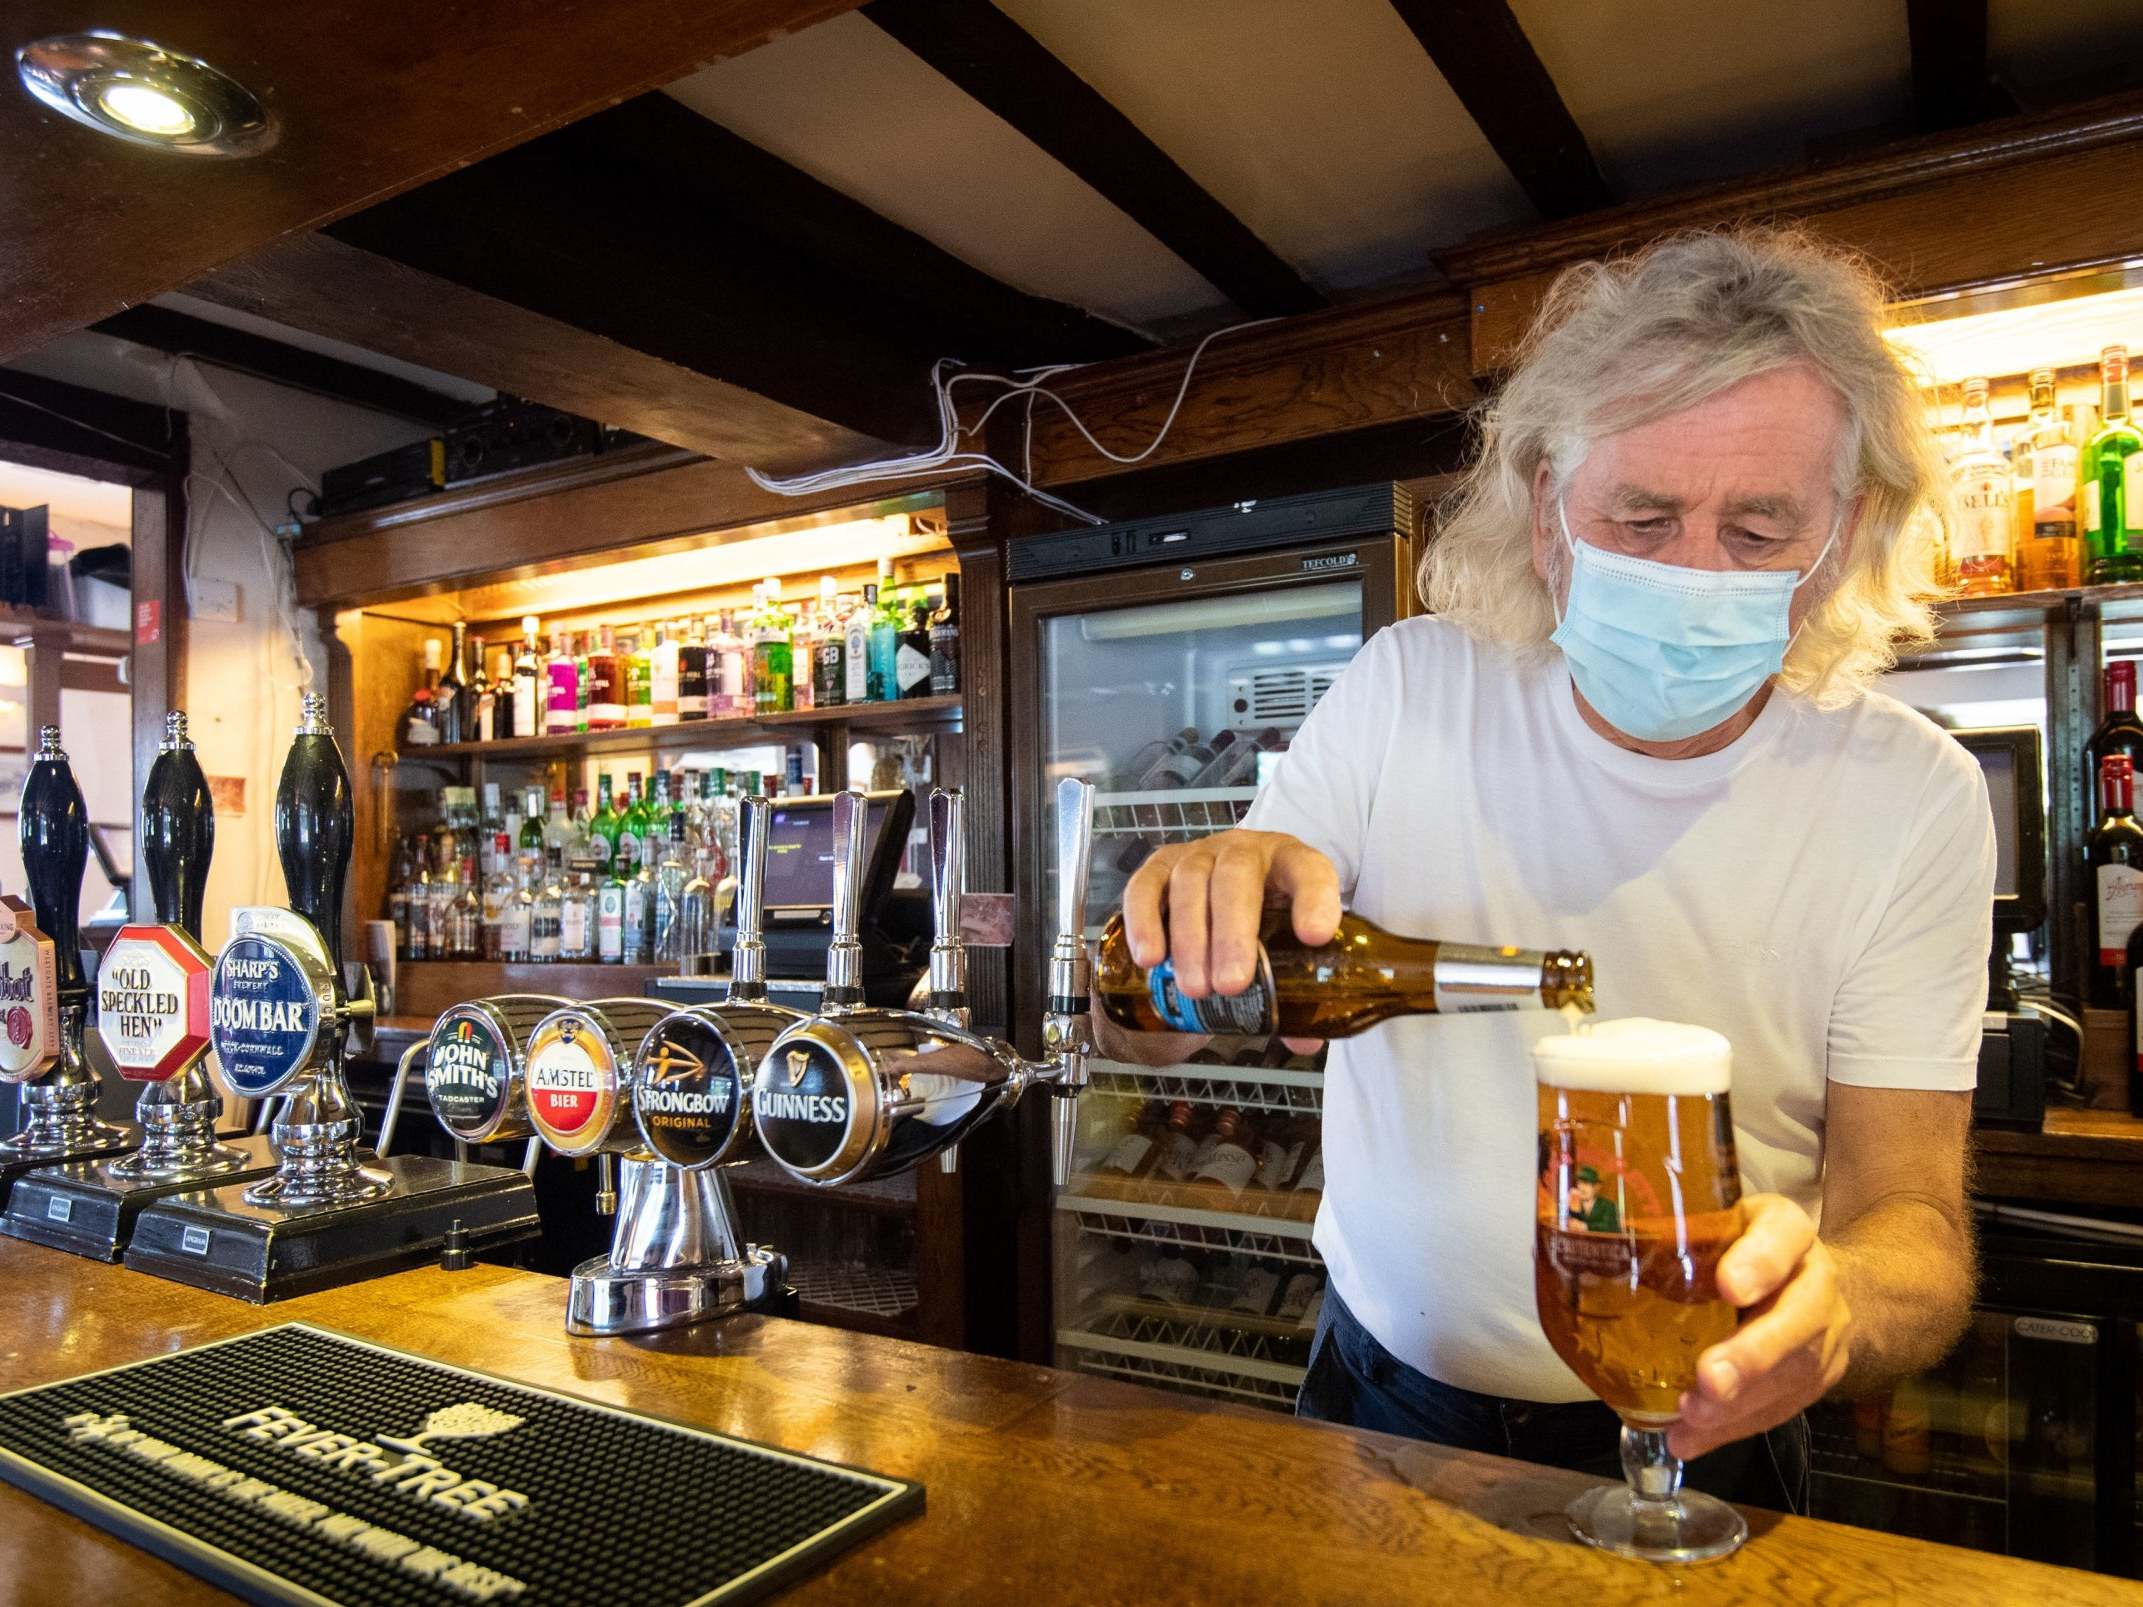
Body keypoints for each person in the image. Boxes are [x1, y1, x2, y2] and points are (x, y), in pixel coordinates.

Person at [1103, 228, 1990, 1509]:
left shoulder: (1910, 795)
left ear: (1843, 534)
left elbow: (1912, 1219)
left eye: (1756, 527)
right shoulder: (1408, 692)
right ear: (1544, 510)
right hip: (1379, 1408)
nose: (1694, 575)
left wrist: (1838, 1304)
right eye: (1642, 517)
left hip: (1710, 1434)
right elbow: (1148, 1043)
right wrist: (1191, 917)